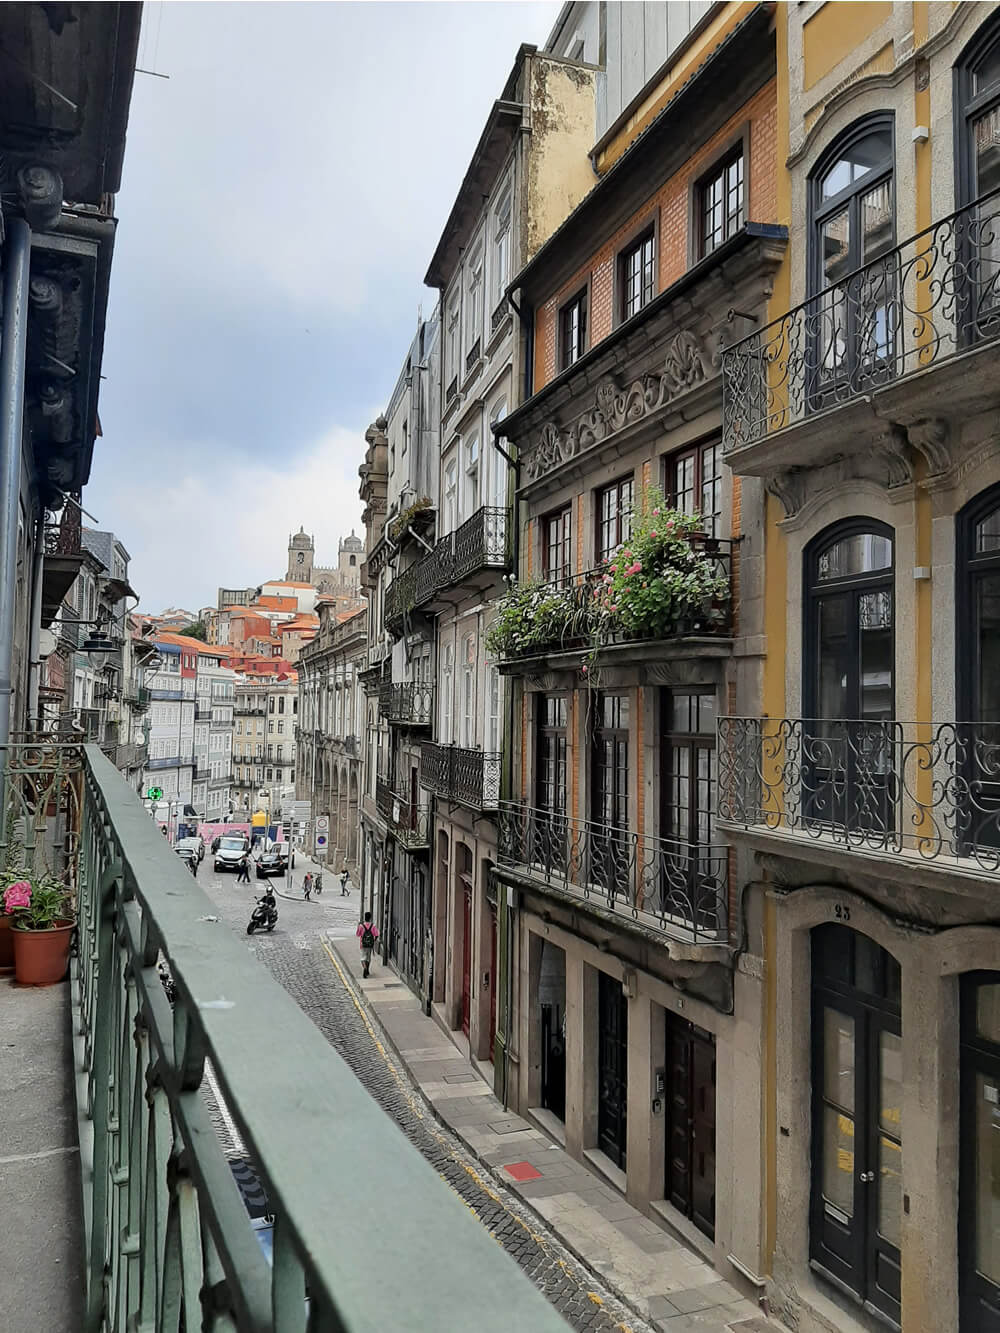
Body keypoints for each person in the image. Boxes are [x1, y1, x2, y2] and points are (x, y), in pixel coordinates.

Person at [357, 912, 379, 978]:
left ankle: (364, 967)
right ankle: (367, 970)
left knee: (363, 958)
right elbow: (377, 934)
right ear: (370, 918)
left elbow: (358, 934)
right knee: (368, 958)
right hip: (370, 945)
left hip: (363, 944)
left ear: (365, 917)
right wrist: (374, 940)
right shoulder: (373, 926)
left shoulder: (361, 926)